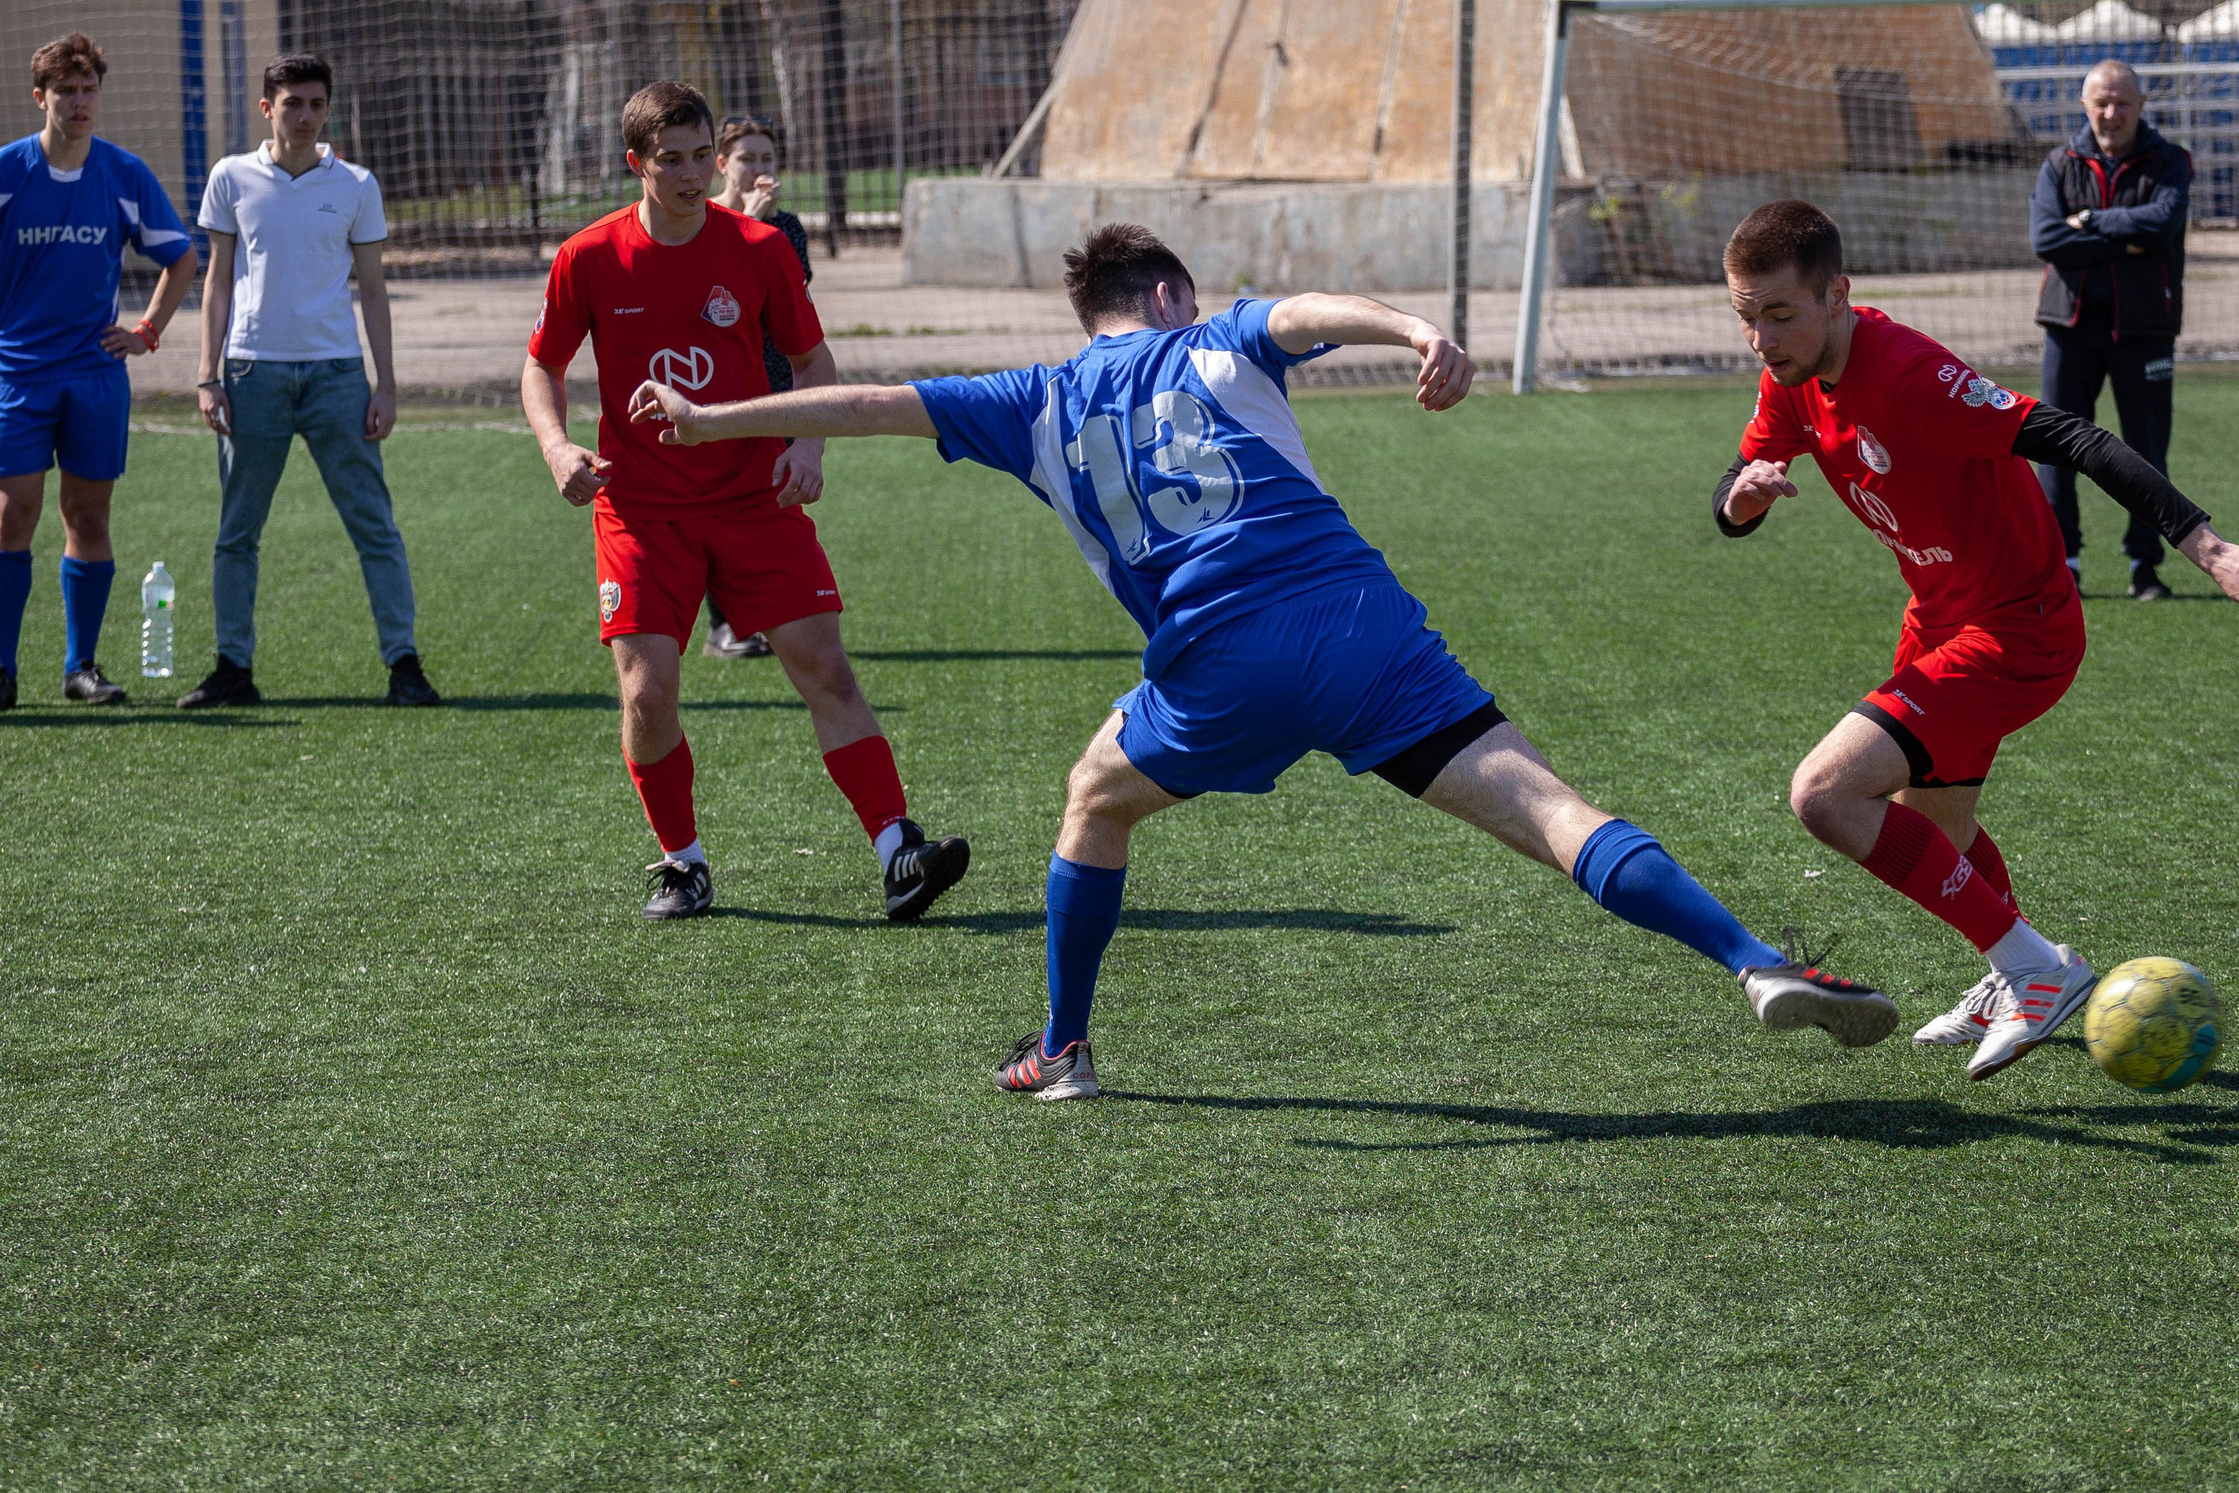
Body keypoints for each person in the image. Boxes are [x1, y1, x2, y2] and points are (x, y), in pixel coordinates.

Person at [633, 223, 1901, 1102]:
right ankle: (1753, 961)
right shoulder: (1222, 335)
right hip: (1360, 631)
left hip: (1214, 667)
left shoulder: (1028, 397)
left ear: (1092, 319)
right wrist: (1413, 330)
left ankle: (1066, 1046)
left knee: (1093, 797)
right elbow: (1305, 312)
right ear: (1176, 297)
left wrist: (708, 417)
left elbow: (865, 404)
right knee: (1553, 807)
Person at [1712, 201, 2239, 1081]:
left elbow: (2078, 438)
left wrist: (2207, 549)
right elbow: (1737, 486)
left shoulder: (1908, 375)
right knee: (1929, 825)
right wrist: (1743, 498)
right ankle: (2009, 970)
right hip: (1940, 622)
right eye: (1745, 316)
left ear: (1837, 294)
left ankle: (2034, 969)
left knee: (1825, 797)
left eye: (1780, 314)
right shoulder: (1789, 377)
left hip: (2019, 628)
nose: (1761, 337)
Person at [521, 81, 969, 923]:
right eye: (673, 161)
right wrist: (556, 445)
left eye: (701, 157)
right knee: (648, 696)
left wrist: (808, 444)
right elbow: (541, 365)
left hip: (754, 500)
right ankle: (682, 864)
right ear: (637, 164)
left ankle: (898, 850)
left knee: (825, 669)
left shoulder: (757, 249)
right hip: (640, 511)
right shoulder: (589, 256)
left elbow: (813, 363)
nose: (693, 175)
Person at [180, 52, 439, 710]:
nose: (304, 115)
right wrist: (207, 376)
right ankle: (232, 668)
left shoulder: (355, 184)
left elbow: (375, 291)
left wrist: (386, 384)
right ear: (266, 109)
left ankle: (404, 666)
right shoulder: (231, 177)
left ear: (329, 109)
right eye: (291, 103)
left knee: (373, 524)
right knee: (237, 530)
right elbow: (215, 282)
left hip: (336, 378)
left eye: (316, 104)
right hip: (250, 374)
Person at [0, 33, 197, 710]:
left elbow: (181, 257)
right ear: (40, 98)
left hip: (94, 376)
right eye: (66, 92)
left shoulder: (123, 173)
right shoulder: (7, 172)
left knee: (87, 513)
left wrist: (146, 331)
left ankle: (80, 667)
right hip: (17, 375)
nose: (80, 103)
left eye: (89, 91)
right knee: (11, 514)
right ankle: (1, 669)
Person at [2030, 59, 2193, 601]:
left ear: (2141, 105)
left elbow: (2163, 222)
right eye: (2101, 101)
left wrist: (2092, 222)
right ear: (2084, 106)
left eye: (2122, 101)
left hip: (2145, 328)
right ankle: (2064, 565)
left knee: (2146, 450)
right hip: (2069, 327)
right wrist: (2129, 241)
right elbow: (2048, 240)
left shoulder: (2170, 161)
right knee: (2056, 450)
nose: (2111, 112)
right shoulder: (2058, 164)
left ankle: (2145, 567)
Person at [698, 116, 807, 662]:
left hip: (777, 383)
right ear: (721, 164)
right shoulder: (701, 222)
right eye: (747, 159)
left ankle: (767, 615)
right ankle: (726, 626)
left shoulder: (786, 227)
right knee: (718, 504)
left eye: (767, 158)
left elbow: (786, 302)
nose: (759, 169)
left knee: (770, 500)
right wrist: (746, 223)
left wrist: (762, 227)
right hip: (721, 380)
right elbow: (709, 302)